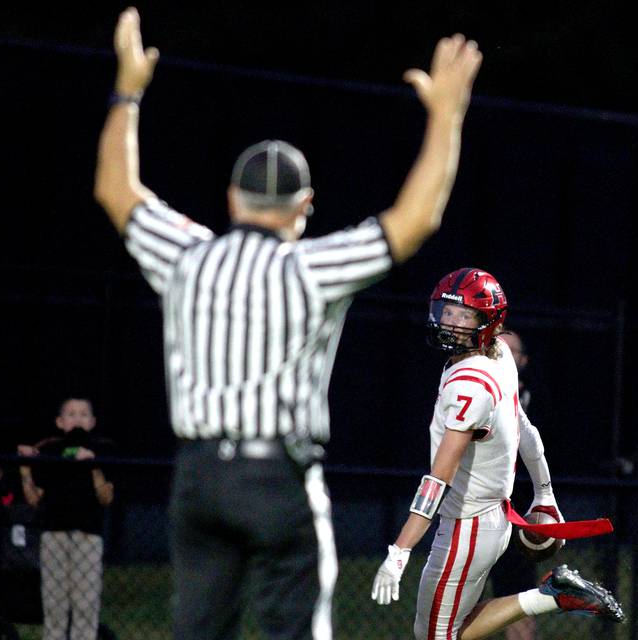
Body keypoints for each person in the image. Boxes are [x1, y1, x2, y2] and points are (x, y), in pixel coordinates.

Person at [94, 7, 482, 640]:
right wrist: (447, 115)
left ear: (231, 199)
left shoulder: (189, 259)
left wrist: (128, 89)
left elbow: (117, 190)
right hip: (278, 478)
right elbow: (414, 220)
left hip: (198, 477)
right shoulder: (308, 268)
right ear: (303, 207)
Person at [370, 268, 625, 639]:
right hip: (490, 517)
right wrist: (544, 493)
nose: (450, 322)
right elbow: (527, 430)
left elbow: (438, 480)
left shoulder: (469, 387)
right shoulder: (501, 353)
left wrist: (400, 551)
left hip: (468, 526)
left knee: (434, 636)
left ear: (487, 323)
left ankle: (553, 596)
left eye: (464, 315)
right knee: (442, 633)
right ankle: (554, 595)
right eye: (447, 311)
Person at [17, 397, 115, 640]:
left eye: (83, 414)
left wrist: (94, 465)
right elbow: (34, 498)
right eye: (71, 414)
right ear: (60, 422)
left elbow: (106, 497)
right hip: (54, 535)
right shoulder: (50, 450)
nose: (77, 418)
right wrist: (26, 469)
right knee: (54, 605)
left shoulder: (102, 448)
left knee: (85, 605)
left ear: (92, 422)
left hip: (87, 535)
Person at [485, 328, 537, 640]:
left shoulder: (536, 405)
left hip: (517, 517)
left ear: (523, 360)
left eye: (510, 350)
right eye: (497, 348)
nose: (502, 354)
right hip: (474, 511)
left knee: (517, 596)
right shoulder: (472, 395)